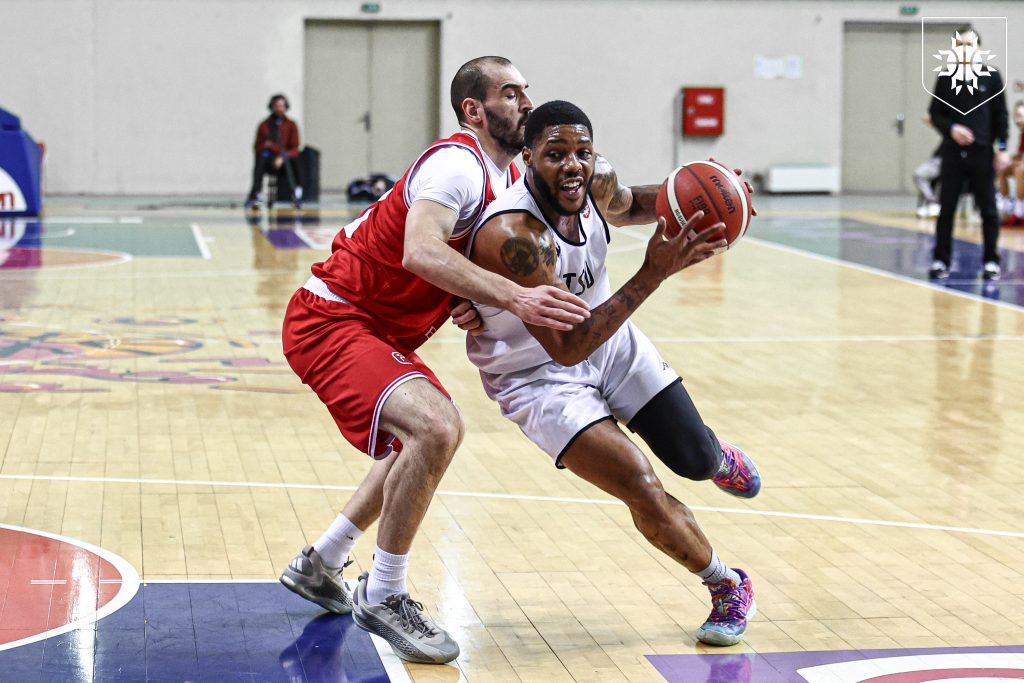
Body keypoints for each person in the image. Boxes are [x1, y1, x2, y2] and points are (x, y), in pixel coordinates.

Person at [277, 57, 590, 664]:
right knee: (436, 426)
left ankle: (324, 561)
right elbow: (419, 250)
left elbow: (447, 263)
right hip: (332, 319)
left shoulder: (506, 181)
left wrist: (465, 298)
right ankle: (383, 594)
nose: (527, 103)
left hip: (372, 327)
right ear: (475, 110)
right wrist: (512, 295)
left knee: (421, 439)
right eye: (510, 93)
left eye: (526, 91)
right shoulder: (457, 163)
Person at [464, 100, 761, 646]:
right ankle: (726, 583)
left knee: (695, 461)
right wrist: (653, 272)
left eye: (583, 151)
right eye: (555, 154)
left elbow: (635, 204)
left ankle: (715, 455)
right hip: (539, 378)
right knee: (640, 485)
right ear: (528, 157)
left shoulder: (596, 183)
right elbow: (567, 347)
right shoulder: (513, 234)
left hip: (612, 341)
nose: (573, 165)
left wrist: (714, 196)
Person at [927, 28, 1010, 281]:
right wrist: (952, 129)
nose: (964, 49)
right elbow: (935, 114)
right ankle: (941, 260)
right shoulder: (945, 78)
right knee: (947, 208)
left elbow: (1001, 115)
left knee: (988, 210)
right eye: (960, 44)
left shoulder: (992, 77)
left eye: (969, 44)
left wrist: (1002, 148)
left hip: (982, 153)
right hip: (953, 153)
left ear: (978, 48)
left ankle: (991, 262)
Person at [246, 94, 302, 208]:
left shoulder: (291, 125)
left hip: (284, 158)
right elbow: (258, 147)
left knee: (295, 161)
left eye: (281, 106)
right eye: (276, 106)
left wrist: (282, 156)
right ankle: (257, 194)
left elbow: (294, 147)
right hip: (269, 158)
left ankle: (296, 192)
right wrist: (269, 148)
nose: (279, 109)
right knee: (261, 158)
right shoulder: (264, 125)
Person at [997, 101, 1024, 226]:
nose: (1017, 120)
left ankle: (1019, 212)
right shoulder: (1022, 134)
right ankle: (1005, 209)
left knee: (1020, 169)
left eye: (1020, 116)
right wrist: (1008, 161)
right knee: (1002, 169)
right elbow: (1019, 155)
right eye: (1016, 116)